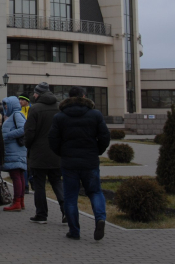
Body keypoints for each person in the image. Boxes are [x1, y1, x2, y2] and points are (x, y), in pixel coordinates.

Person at [49, 86, 110, 241]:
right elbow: (104, 137)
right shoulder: (95, 115)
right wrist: (97, 151)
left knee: (70, 197)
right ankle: (100, 218)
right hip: (90, 161)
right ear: (84, 96)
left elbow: (53, 140)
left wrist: (62, 153)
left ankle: (74, 231)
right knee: (95, 192)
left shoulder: (60, 117)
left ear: (68, 97)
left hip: (69, 162)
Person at [24, 82, 65, 224]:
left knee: (39, 184)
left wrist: (27, 146)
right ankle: (66, 211)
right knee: (57, 182)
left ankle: (41, 215)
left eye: (35, 93)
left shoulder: (35, 109)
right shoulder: (59, 108)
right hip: (56, 153)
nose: (33, 95)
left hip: (38, 153)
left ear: (39, 93)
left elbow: (29, 132)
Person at [1, 96, 28, 211]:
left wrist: (7, 136)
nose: (5, 107)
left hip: (15, 150)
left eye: (7, 104)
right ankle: (20, 201)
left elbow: (23, 129)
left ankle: (17, 202)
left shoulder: (17, 115)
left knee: (16, 175)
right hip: (15, 150)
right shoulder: (14, 115)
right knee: (19, 175)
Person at [18, 94, 32, 195]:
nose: (20, 102)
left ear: (27, 101)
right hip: (23, 140)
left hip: (31, 139)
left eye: (22, 100)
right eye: (19, 100)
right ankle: (26, 185)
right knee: (25, 164)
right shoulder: (18, 112)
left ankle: (31, 180)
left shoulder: (31, 110)